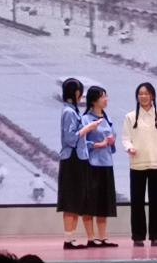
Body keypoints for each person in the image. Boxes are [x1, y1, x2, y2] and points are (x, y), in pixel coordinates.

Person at [122, 82, 157, 248]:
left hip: (156, 164)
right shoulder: (130, 117)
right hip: (137, 165)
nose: (143, 96)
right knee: (137, 202)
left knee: (156, 202)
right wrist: (129, 147)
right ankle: (138, 236)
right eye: (140, 94)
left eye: (146, 93)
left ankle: (156, 236)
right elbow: (125, 138)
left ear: (153, 96)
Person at [57, 78, 100, 250]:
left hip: (78, 159)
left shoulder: (72, 110)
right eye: (80, 92)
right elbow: (71, 139)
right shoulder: (69, 112)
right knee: (70, 200)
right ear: (76, 93)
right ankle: (68, 239)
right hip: (72, 160)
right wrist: (88, 128)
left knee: (75, 200)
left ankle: (71, 238)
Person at [81, 85, 118, 247]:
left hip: (106, 163)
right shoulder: (86, 120)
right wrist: (97, 144)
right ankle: (91, 238)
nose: (106, 99)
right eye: (103, 96)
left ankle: (103, 237)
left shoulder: (107, 118)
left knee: (104, 202)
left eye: (106, 96)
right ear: (94, 100)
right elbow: (81, 142)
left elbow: (112, 141)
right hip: (91, 165)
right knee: (90, 202)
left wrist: (111, 142)